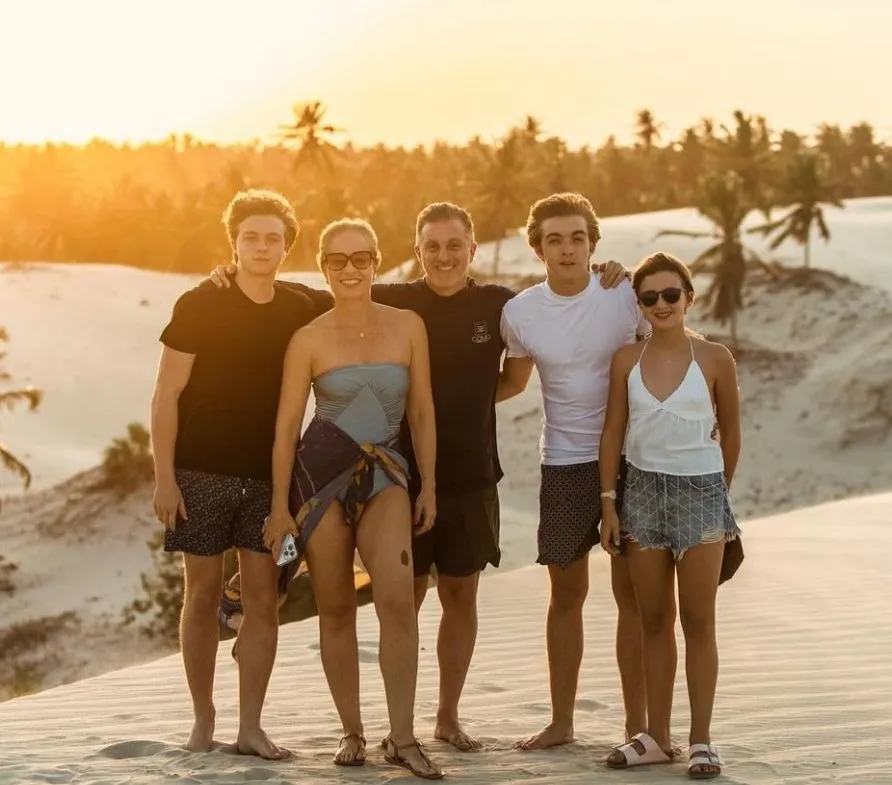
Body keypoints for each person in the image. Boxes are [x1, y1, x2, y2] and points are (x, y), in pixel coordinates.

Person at [208, 202, 626, 751]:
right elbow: (328, 293)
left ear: (472, 250)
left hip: (473, 472)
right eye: (432, 246)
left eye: (455, 246)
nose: (444, 256)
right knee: (402, 597)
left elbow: (522, 366)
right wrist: (232, 275)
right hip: (396, 477)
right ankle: (370, 728)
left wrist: (606, 273)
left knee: (461, 597)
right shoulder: (396, 299)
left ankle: (446, 718)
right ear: (415, 252)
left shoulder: (500, 305)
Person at [262, 218, 445, 779]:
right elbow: (288, 425)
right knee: (336, 607)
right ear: (323, 266)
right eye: (338, 260)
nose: (350, 269)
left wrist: (429, 485)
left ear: (376, 262)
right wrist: (277, 507)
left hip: (388, 472)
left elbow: (421, 411)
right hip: (320, 478)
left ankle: (404, 736)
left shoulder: (408, 325)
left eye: (361, 258)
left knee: (397, 602)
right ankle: (353, 731)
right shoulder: (308, 338)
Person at [150, 188, 326, 759]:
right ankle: (204, 722)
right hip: (198, 474)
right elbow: (166, 394)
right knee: (200, 595)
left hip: (272, 480)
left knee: (262, 600)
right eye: (250, 236)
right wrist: (164, 477)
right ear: (234, 242)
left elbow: (364, 292)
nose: (261, 246)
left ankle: (250, 726)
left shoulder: (302, 305)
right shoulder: (200, 302)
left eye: (273, 237)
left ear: (286, 246)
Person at [499, 192, 651, 751]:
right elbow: (512, 383)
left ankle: (637, 725)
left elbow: (667, 353)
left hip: (633, 460)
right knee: (565, 595)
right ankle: (562, 723)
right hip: (564, 463)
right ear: (538, 248)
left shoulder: (625, 295)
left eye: (578, 238)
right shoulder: (520, 312)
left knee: (631, 595)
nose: (567, 249)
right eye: (555, 239)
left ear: (593, 243)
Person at [599, 252, 741, 779]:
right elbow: (612, 433)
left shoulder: (715, 359)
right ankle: (656, 737)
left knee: (698, 621)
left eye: (670, 295)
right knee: (652, 620)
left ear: (688, 297)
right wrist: (609, 503)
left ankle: (701, 739)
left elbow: (732, 436)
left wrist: (714, 498)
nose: (661, 305)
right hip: (639, 496)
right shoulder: (625, 361)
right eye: (649, 297)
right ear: (639, 304)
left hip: (700, 496)